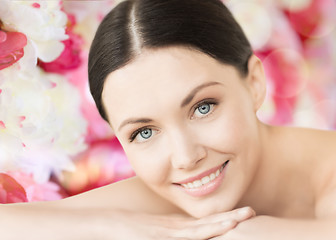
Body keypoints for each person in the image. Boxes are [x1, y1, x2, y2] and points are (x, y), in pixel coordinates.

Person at [1, 0, 335, 239]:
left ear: (255, 84)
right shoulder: (170, 198)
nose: (186, 157)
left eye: (203, 107)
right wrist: (111, 227)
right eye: (144, 132)